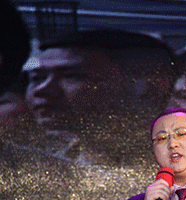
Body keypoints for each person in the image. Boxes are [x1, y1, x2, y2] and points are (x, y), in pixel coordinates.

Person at [25, 28, 175, 165]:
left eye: (72, 76)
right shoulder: (53, 157)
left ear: (150, 87)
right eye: (37, 78)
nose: (42, 90)